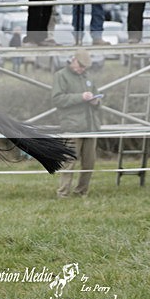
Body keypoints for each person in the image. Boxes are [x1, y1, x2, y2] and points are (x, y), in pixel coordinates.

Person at [51, 49, 102, 198]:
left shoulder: (88, 77)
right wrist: (80, 97)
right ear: (73, 60)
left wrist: (95, 101)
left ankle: (81, 191)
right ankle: (63, 193)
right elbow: (58, 100)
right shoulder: (60, 76)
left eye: (85, 67)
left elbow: (98, 100)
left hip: (90, 126)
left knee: (89, 163)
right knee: (69, 161)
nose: (82, 69)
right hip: (72, 126)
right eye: (80, 65)